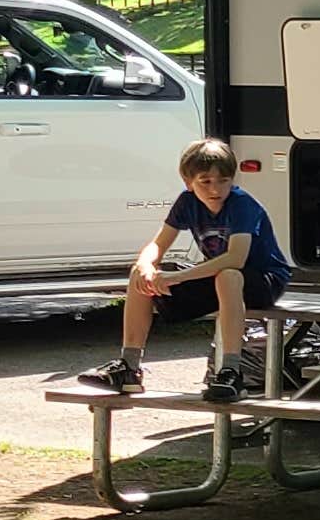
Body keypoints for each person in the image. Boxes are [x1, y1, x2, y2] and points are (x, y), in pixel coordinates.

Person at [80, 137, 292, 400]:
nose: (215, 189)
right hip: (218, 278)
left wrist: (178, 276)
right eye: (205, 182)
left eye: (223, 181)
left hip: (263, 280)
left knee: (228, 276)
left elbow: (235, 259)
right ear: (189, 183)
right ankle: (129, 367)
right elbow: (158, 244)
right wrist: (147, 264)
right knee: (139, 275)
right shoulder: (186, 202)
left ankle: (231, 372)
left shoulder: (242, 205)